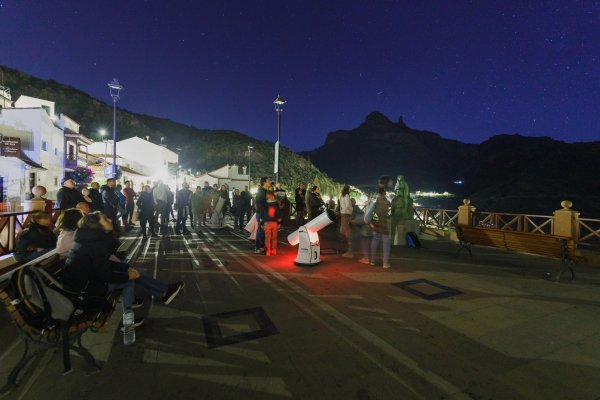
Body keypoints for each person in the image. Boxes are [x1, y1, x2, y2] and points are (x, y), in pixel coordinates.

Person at [60, 212, 185, 328]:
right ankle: (133, 317)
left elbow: (104, 265)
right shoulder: (95, 244)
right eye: (105, 219)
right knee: (129, 280)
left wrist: (127, 268)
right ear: (96, 225)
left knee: (131, 272)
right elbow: (104, 274)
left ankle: (163, 292)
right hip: (86, 291)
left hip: (88, 283)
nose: (110, 220)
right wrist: (127, 275)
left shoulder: (89, 240)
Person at [369, 187, 392, 268]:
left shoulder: (375, 199)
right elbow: (390, 205)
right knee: (386, 243)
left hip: (376, 223)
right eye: (385, 192)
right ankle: (385, 263)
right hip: (383, 223)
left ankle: (372, 260)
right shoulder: (384, 200)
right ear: (383, 192)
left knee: (375, 241)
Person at [254, 177, 271, 253]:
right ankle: (258, 247)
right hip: (262, 213)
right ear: (264, 182)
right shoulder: (261, 192)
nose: (270, 182)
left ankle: (262, 247)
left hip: (265, 213)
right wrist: (261, 217)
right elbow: (260, 205)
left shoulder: (266, 191)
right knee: (261, 230)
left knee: (264, 231)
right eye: (268, 181)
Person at [264, 190, 282, 256]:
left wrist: (262, 222)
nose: (266, 196)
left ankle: (270, 250)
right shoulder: (275, 203)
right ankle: (271, 250)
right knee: (272, 237)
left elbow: (264, 214)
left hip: (270, 222)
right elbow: (278, 213)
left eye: (267, 195)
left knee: (270, 237)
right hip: (272, 222)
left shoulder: (267, 203)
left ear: (271, 195)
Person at [339, 185, 354, 258]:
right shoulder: (347, 196)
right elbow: (348, 205)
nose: (350, 190)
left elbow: (341, 205)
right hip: (346, 214)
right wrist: (351, 210)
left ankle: (349, 251)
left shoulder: (342, 196)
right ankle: (350, 250)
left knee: (344, 231)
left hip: (343, 213)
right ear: (347, 189)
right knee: (346, 231)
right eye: (350, 189)